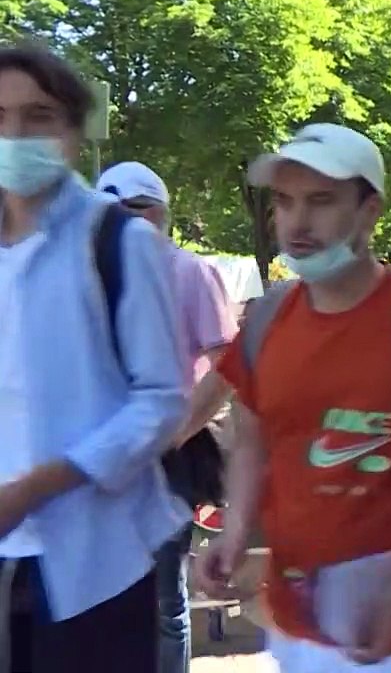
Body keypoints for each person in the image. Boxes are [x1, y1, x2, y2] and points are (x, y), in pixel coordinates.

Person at [191, 123, 391, 672]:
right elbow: (251, 444)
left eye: (321, 201)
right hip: (290, 624)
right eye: (284, 202)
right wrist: (233, 536)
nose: (297, 222)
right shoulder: (266, 321)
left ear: (369, 211)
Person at [0, 43, 187, 672]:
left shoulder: (116, 241)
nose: (15, 136)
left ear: (75, 134)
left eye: (39, 116)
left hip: (95, 564)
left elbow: (161, 400)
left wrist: (40, 485)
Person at [96, 160, 237, 673]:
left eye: (136, 210)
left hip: (169, 459)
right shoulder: (89, 278)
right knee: (99, 599)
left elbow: (228, 366)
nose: (125, 222)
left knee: (163, 601)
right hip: (101, 457)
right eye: (111, 212)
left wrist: (177, 432)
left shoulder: (191, 273)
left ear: (160, 214)